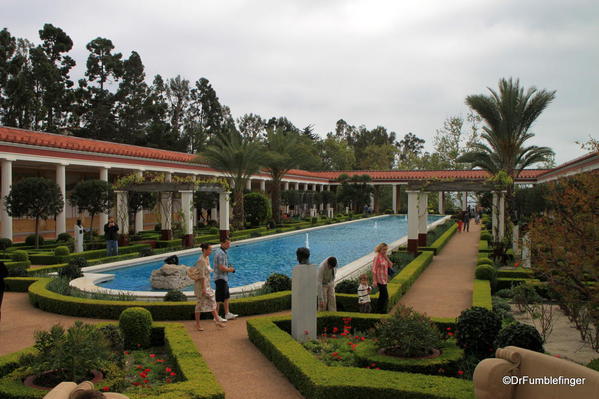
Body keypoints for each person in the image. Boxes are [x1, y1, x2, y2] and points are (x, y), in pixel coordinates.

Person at [189, 243, 226, 330]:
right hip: (201, 286)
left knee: (212, 301)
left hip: (206, 284)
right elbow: (202, 276)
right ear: (204, 250)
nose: (211, 251)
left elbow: (207, 270)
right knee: (199, 305)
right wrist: (203, 288)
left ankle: (217, 321)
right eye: (209, 249)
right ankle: (198, 324)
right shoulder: (201, 260)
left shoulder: (207, 258)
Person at [213, 238, 238, 320]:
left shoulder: (221, 251)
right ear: (222, 243)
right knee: (219, 298)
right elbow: (221, 267)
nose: (229, 246)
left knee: (226, 296)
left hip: (222, 278)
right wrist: (230, 270)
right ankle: (216, 316)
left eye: (229, 244)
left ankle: (227, 313)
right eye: (227, 244)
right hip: (220, 278)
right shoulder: (221, 253)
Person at [372, 243, 393, 313]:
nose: (385, 251)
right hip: (379, 280)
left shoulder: (384, 257)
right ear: (380, 249)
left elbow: (390, 265)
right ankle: (383, 311)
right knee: (385, 296)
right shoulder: (377, 257)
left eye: (386, 250)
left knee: (382, 296)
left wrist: (386, 257)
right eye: (383, 249)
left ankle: (378, 311)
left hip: (384, 279)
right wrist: (374, 281)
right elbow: (374, 270)